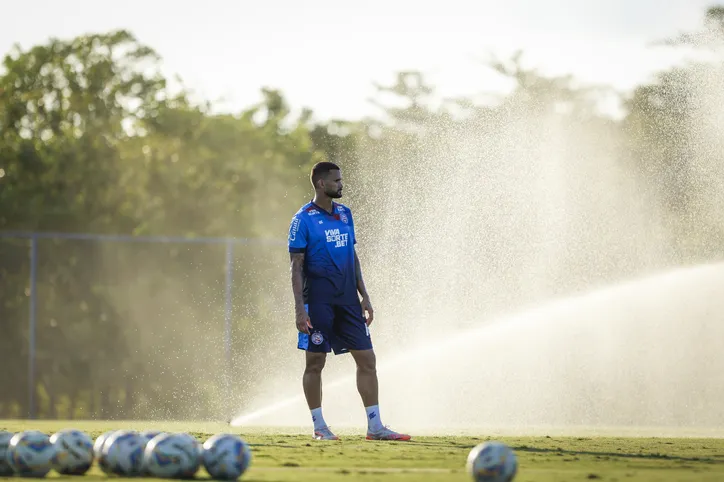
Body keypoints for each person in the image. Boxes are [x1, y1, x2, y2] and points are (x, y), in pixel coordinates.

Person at [287, 161, 411, 441]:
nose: (341, 184)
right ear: (321, 184)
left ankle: (375, 427)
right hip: (318, 302)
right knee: (315, 363)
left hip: (348, 302)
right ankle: (320, 427)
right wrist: (299, 309)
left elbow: (352, 256)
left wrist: (364, 295)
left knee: (367, 360)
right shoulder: (303, 219)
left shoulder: (345, 214)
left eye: (341, 180)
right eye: (337, 181)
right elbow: (296, 266)